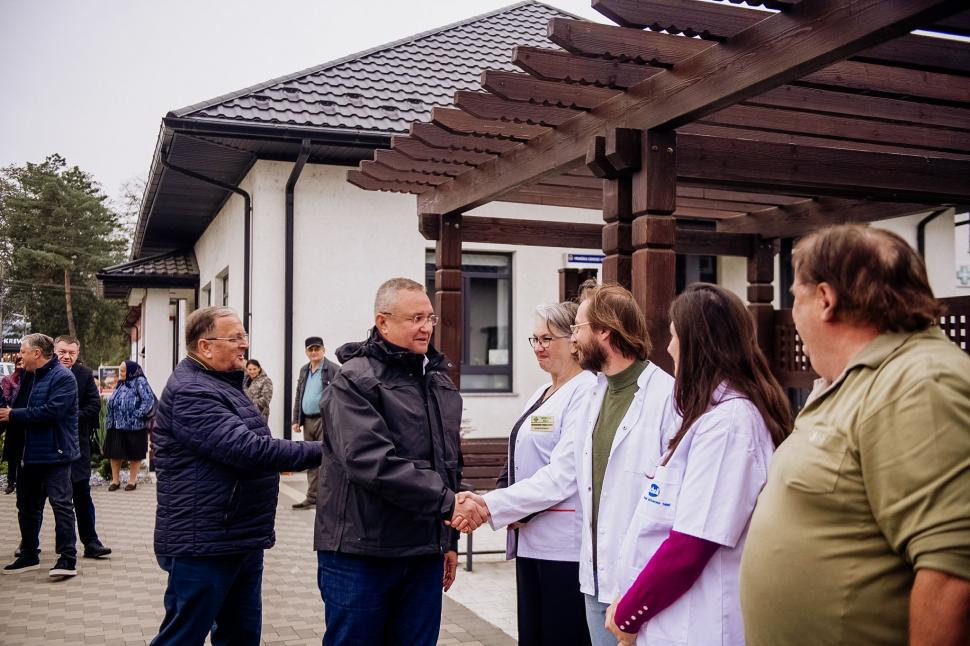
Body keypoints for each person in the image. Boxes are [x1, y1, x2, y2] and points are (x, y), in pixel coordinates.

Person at [740, 225, 970, 646]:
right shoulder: (860, 380)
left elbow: (952, 571)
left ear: (826, 300)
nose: (792, 311)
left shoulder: (921, 381)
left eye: (795, 296)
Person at [454, 283, 678, 646]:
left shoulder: (665, 396)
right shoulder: (594, 393)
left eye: (577, 328)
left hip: (636, 576)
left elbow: (563, 479)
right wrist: (490, 503)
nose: (573, 340)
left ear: (604, 331)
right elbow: (564, 470)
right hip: (592, 576)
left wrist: (486, 505)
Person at [603, 284, 791, 645]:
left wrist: (630, 612)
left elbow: (692, 545)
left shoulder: (731, 425)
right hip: (670, 619)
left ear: (697, 343)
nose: (669, 347)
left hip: (698, 625)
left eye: (674, 336)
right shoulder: (710, 416)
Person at [150, 306, 323, 646]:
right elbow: (251, 450)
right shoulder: (192, 391)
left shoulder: (223, 383)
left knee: (240, 636)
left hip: (237, 536)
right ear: (205, 346)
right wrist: (329, 451)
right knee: (181, 638)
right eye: (236, 338)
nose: (245, 344)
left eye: (245, 336)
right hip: (205, 543)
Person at [316, 277, 468, 645]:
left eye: (430, 318)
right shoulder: (353, 381)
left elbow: (448, 463)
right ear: (383, 322)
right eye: (415, 318)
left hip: (422, 555)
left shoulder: (438, 382)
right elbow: (371, 461)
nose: (426, 327)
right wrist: (450, 503)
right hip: (362, 555)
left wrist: (448, 540)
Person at [487, 301, 596, 646]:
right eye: (534, 339)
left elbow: (564, 474)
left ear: (574, 341)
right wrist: (506, 491)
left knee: (561, 635)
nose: (539, 347)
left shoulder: (588, 391)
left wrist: (497, 506)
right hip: (530, 542)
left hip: (564, 548)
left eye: (547, 338)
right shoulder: (541, 394)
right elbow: (518, 451)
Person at [0, 333, 80, 578]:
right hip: (29, 454)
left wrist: (14, 415)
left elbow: (52, 412)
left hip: (55, 454)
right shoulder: (27, 377)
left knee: (61, 506)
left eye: (23, 351)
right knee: (27, 507)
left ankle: (67, 559)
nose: (19, 356)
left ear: (36, 353)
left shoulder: (63, 377)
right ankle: (28, 554)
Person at [54, 336, 112, 559]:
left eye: (72, 352)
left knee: (81, 495)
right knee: (40, 499)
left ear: (77, 354)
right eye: (62, 351)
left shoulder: (84, 375)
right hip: (48, 446)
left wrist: (70, 417)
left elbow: (94, 405)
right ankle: (30, 545)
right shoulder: (41, 372)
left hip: (77, 445)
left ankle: (91, 542)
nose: (67, 356)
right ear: (54, 350)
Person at [290, 336, 339, 510]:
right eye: (310, 349)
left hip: (325, 419)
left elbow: (340, 396)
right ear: (306, 352)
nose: (314, 352)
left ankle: (327, 498)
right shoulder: (304, 370)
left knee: (326, 459)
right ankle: (312, 497)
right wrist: (296, 419)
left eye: (317, 349)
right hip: (308, 420)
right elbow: (299, 394)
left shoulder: (333, 369)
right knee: (311, 459)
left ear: (323, 350)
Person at [104, 360, 156, 491]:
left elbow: (148, 400)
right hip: (116, 424)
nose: (120, 373)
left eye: (123, 370)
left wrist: (137, 414)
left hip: (134, 426)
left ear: (131, 370)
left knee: (134, 453)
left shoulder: (139, 381)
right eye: (120, 370)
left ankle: (132, 481)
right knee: (114, 453)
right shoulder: (121, 383)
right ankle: (115, 481)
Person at [1, 355, 25, 494]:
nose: (21, 365)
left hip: (26, 420)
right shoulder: (9, 379)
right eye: (19, 363)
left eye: (23, 362)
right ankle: (11, 481)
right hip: (13, 419)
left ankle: (22, 482)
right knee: (13, 454)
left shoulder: (32, 379)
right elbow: (6, 398)